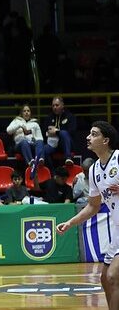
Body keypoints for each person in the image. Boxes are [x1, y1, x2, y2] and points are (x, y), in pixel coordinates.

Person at [56, 122, 119, 309]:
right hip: (117, 229)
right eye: (89, 133)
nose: (87, 137)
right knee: (105, 279)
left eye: (93, 134)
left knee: (113, 276)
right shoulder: (93, 170)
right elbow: (93, 206)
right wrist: (70, 223)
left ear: (105, 140)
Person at [44, 97, 77, 165]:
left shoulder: (70, 116)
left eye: (57, 105)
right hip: (53, 144)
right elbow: (44, 132)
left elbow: (72, 132)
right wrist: (48, 133)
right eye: (53, 105)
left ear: (62, 105)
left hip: (66, 144)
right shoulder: (49, 117)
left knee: (64, 133)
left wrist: (57, 132)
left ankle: (68, 157)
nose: (55, 107)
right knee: (43, 150)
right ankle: (52, 173)